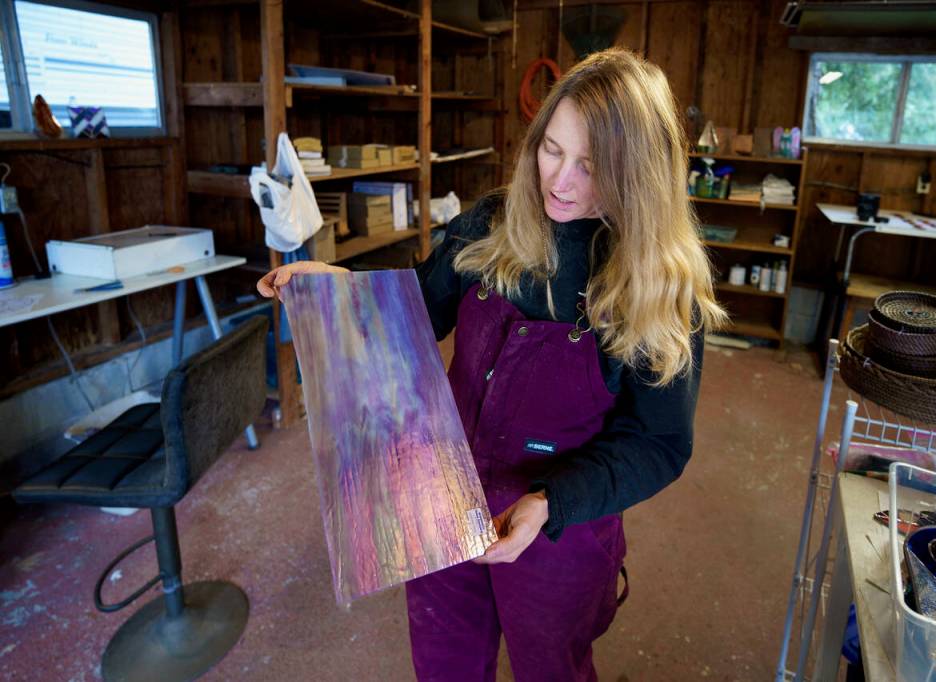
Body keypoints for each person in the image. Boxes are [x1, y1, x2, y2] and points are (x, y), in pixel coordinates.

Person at [257, 48, 724, 682]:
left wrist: (548, 503)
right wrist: (339, 291)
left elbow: (659, 444)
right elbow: (417, 314)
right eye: (552, 150)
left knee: (550, 666)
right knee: (445, 659)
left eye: (591, 166)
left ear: (638, 175)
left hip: (559, 523)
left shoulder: (660, 286)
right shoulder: (492, 223)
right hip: (438, 496)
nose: (560, 181)